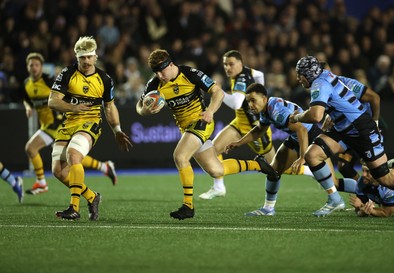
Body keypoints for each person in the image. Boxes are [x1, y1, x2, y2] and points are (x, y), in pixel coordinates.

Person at [136, 49, 277, 220]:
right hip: (187, 129)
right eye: (156, 72)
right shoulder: (154, 84)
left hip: (201, 122)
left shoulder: (190, 74)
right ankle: (257, 165)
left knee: (180, 157)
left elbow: (217, 92)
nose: (160, 75)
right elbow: (139, 107)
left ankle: (188, 206)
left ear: (171, 64)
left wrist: (210, 111)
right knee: (216, 170)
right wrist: (146, 109)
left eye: (162, 70)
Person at [289, 55, 394, 217]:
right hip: (345, 130)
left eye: (300, 74)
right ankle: (334, 199)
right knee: (312, 155)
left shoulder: (319, 84)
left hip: (361, 130)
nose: (298, 78)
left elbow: (315, 116)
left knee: (385, 180)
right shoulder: (332, 77)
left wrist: (297, 117)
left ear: (308, 74)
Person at [225, 83, 356, 216]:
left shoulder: (276, 110)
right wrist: (239, 142)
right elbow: (259, 130)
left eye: (253, 100)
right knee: (273, 171)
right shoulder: (267, 110)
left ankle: (366, 192)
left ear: (264, 98)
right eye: (248, 101)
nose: (250, 105)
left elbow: (302, 129)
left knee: (334, 183)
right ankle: (268, 208)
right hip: (297, 138)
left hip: (311, 137)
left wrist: (303, 157)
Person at [48, 36, 132, 221]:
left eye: (89, 57)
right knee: (58, 171)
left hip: (91, 122)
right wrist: (73, 108)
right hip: (69, 122)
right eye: (82, 57)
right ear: (77, 57)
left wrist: (117, 130)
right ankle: (92, 197)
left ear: (95, 57)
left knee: (73, 154)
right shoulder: (67, 73)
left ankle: (74, 208)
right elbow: (52, 101)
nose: (86, 61)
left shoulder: (104, 79)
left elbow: (109, 107)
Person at [23, 52, 119, 196]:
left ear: (42, 67)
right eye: (31, 65)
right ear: (27, 67)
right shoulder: (27, 84)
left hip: (58, 124)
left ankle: (42, 183)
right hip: (46, 126)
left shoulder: (49, 81)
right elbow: (27, 99)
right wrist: (28, 107)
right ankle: (103, 168)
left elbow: (60, 97)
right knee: (71, 157)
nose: (34, 68)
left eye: (37, 65)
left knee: (38, 150)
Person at [198, 50, 276, 200]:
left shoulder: (241, 79)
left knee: (277, 166)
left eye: (231, 64)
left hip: (254, 128)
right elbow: (259, 74)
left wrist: (219, 91)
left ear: (240, 63)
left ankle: (312, 172)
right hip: (239, 123)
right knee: (214, 150)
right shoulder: (248, 72)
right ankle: (218, 187)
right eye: (225, 64)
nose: (227, 68)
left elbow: (235, 103)